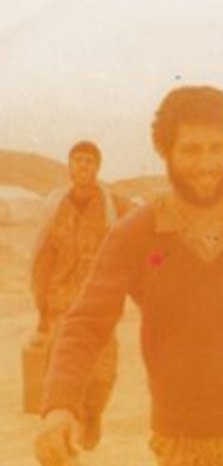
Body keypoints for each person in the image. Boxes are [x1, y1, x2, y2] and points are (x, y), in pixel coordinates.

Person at [34, 85, 223, 466]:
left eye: (217, 148)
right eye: (191, 149)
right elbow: (86, 323)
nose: (206, 163)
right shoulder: (134, 234)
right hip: (182, 444)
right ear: (164, 150)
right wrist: (60, 405)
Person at [29, 140, 129, 451]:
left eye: (89, 161)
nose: (83, 166)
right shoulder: (54, 206)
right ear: (70, 166)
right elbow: (42, 257)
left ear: (97, 168)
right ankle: (61, 432)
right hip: (60, 302)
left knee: (103, 369)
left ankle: (93, 411)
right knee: (59, 369)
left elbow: (134, 243)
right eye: (78, 160)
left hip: (99, 301)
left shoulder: (115, 206)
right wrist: (42, 309)